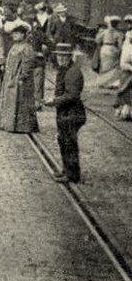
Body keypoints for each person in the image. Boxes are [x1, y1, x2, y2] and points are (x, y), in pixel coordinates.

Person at [51, 43, 86, 183]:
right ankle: (66, 170)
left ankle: (72, 175)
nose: (60, 58)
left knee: (69, 143)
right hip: (64, 112)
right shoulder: (64, 69)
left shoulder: (73, 72)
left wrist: (54, 100)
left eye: (64, 56)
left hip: (72, 113)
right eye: (58, 55)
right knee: (63, 141)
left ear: (69, 57)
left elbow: (72, 95)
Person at [0, 21, 39, 133]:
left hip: (19, 79)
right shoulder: (15, 46)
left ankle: (21, 126)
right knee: (9, 100)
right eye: (14, 34)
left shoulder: (26, 47)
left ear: (23, 35)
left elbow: (28, 64)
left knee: (21, 102)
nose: (14, 35)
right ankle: (8, 124)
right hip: (10, 76)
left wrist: (22, 76)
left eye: (17, 33)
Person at [25, 7, 50, 110]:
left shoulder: (39, 34)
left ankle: (38, 103)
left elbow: (50, 45)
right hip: (27, 62)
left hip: (37, 62)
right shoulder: (25, 34)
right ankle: (33, 102)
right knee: (30, 83)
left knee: (37, 82)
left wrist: (44, 51)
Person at [95, 16, 124, 88]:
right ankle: (111, 83)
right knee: (113, 66)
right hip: (113, 49)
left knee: (104, 66)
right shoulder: (118, 33)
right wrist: (119, 52)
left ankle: (101, 82)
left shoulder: (104, 32)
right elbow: (120, 45)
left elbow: (97, 40)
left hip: (104, 48)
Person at [113, 24, 132, 121]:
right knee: (125, 90)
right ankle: (125, 111)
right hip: (128, 73)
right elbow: (123, 63)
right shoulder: (127, 47)